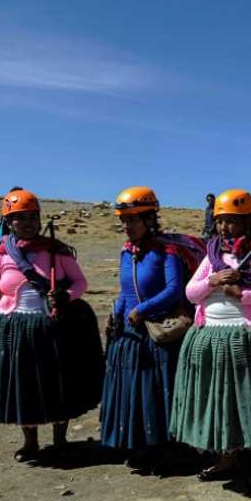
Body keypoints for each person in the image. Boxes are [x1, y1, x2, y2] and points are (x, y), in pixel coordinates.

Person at [0, 189, 104, 461]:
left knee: (59, 382)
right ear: (9, 223)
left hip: (53, 326)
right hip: (14, 327)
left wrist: (66, 296)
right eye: (20, 218)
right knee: (24, 385)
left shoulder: (56, 250)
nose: (28, 223)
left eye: (33, 217)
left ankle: (60, 439)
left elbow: (80, 282)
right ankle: (30, 442)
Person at [170, 189, 251, 488]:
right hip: (212, 336)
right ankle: (228, 456)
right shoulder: (213, 257)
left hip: (249, 337)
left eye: (232, 221)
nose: (224, 228)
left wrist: (242, 293)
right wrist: (213, 280)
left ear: (248, 222)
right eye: (221, 221)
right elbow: (190, 293)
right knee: (222, 401)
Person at [99, 187, 186, 470]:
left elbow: (175, 290)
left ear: (149, 219)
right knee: (132, 390)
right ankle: (137, 440)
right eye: (123, 221)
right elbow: (125, 291)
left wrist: (142, 309)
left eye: (132, 220)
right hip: (129, 334)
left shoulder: (166, 252)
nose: (126, 226)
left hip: (157, 334)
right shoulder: (127, 253)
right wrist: (115, 315)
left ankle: (163, 444)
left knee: (155, 390)